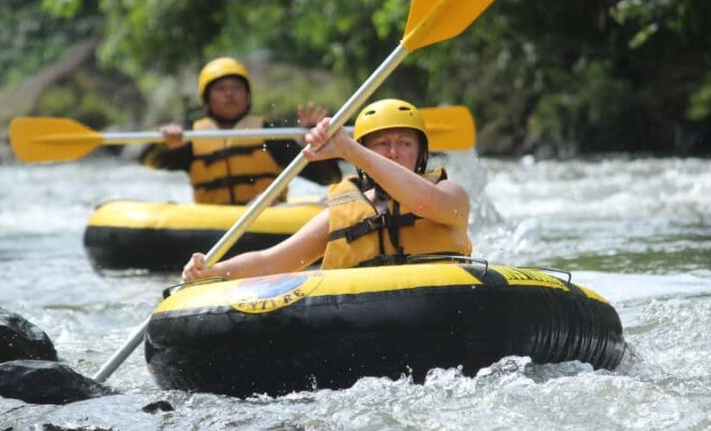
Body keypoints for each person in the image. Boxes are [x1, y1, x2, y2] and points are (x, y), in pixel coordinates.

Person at [182, 98, 472, 281]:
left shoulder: (451, 193)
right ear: (366, 150)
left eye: (404, 143)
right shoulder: (341, 212)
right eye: (382, 144)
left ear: (421, 154)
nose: (393, 152)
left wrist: (348, 149)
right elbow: (270, 262)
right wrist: (213, 271)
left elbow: (425, 205)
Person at [140, 56, 341, 204]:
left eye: (236, 88)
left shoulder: (267, 135)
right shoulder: (192, 138)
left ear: (247, 96)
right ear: (207, 100)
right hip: (210, 223)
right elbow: (148, 162)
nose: (229, 94)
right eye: (220, 89)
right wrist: (162, 142)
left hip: (266, 216)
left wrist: (315, 145)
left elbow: (329, 178)